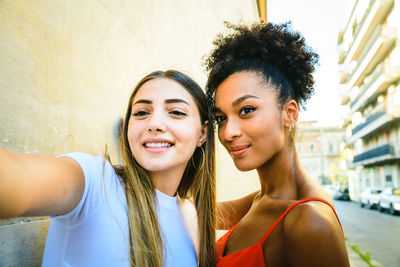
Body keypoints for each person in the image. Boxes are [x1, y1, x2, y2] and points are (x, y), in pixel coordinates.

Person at [0, 70, 216, 267]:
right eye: (141, 112)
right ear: (127, 128)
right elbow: (16, 176)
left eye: (176, 112)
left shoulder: (189, 214)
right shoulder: (95, 182)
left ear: (203, 134)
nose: (154, 123)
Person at [204, 22, 350, 266]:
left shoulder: (309, 222)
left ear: (289, 113)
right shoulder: (260, 200)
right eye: (221, 118)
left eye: (246, 110)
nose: (228, 132)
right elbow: (192, 213)